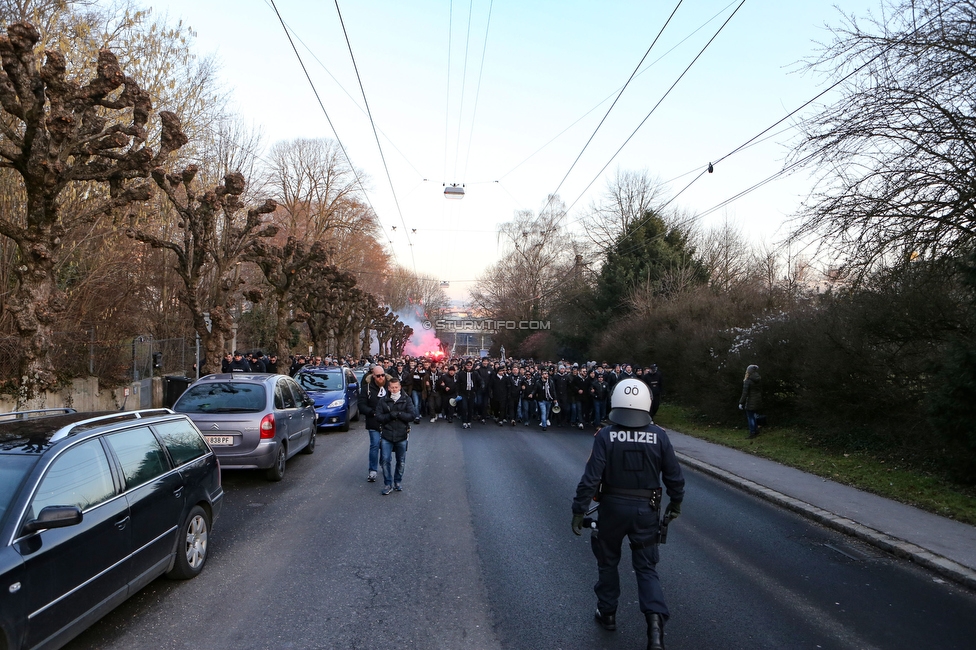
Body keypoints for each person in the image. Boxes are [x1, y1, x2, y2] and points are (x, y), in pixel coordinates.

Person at [571, 378, 685, 650]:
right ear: (646, 403)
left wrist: (579, 510)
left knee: (608, 561)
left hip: (611, 508)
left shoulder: (606, 435)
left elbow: (590, 478)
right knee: (646, 568)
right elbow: (674, 477)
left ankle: (607, 613)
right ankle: (655, 629)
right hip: (647, 508)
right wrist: (675, 503)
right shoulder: (659, 436)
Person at [375, 377, 417, 494]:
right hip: (387, 434)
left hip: (402, 434)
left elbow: (412, 415)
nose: (394, 389)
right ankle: (388, 484)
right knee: (385, 460)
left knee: (401, 460)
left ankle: (398, 481)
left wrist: (398, 414)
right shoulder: (383, 400)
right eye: (392, 387)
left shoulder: (406, 399)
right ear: (388, 388)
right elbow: (378, 417)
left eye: (396, 387)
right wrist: (389, 416)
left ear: (400, 387)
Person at [358, 365, 390, 482]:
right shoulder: (366, 388)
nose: (381, 378)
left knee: (385, 445)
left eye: (383, 375)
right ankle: (372, 470)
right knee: (375, 444)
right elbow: (361, 405)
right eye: (378, 376)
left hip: (387, 421)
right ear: (373, 376)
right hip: (373, 421)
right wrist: (372, 412)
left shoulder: (390, 387)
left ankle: (383, 462)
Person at [738, 364, 763, 439]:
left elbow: (745, 393)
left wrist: (741, 402)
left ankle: (752, 432)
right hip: (758, 400)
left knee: (750, 417)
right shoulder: (758, 379)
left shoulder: (748, 381)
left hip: (751, 401)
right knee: (754, 415)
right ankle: (756, 430)